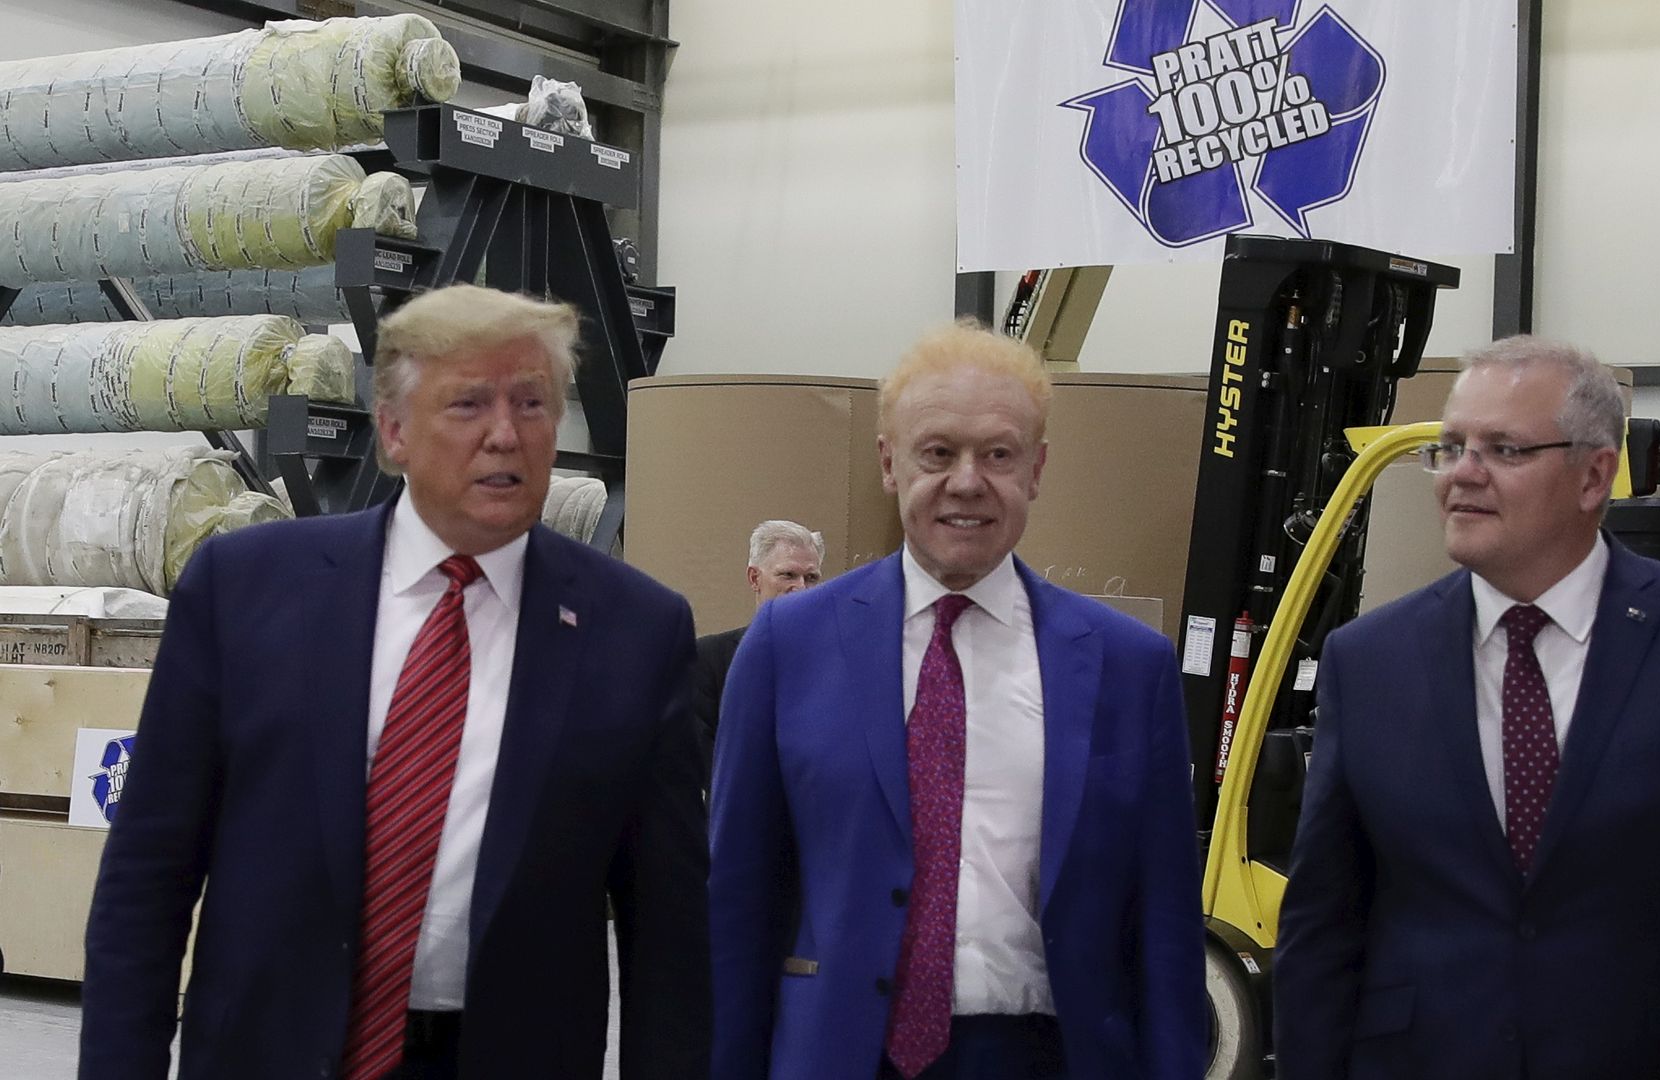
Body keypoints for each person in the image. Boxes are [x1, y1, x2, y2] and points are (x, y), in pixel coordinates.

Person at [80, 285, 709, 1080]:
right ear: (394, 431)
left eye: (531, 403)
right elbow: (148, 876)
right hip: (272, 1053)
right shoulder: (244, 591)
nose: (505, 434)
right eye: (469, 404)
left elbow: (670, 933)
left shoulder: (636, 632)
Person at [1271, 335, 1660, 1080]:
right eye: (1450, 448)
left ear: (1594, 475)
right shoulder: (1368, 661)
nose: (1463, 474)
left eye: (1504, 450)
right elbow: (1323, 925)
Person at [708, 322, 1206, 1080]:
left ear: (1036, 470)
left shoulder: (1128, 667)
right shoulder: (789, 646)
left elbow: (1166, 925)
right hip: (841, 1056)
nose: (967, 482)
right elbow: (739, 903)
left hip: (1046, 1057)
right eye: (937, 453)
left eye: (998, 454)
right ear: (890, 463)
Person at [692, 520, 825, 773]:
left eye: (811, 578)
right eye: (788, 575)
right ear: (755, 578)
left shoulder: (837, 663)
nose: (801, 587)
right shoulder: (710, 659)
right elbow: (703, 760)